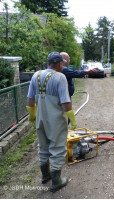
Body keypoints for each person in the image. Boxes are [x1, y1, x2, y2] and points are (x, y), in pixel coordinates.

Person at [26, 52, 77, 193]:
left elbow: (30, 100)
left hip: (40, 119)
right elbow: (66, 102)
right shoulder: (60, 77)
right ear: (60, 64)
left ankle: (45, 176)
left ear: (48, 63)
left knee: (43, 146)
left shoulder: (35, 75)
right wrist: (72, 120)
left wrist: (32, 116)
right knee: (57, 148)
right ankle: (56, 182)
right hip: (55, 121)